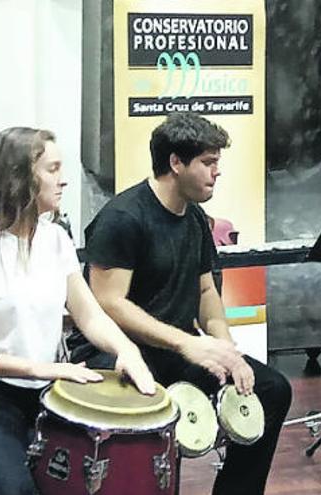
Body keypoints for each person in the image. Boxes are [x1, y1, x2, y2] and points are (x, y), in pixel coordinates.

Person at [0, 127, 157, 495]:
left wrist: (127, 350)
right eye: (52, 169)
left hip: (41, 391)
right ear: (19, 176)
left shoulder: (55, 239)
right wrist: (37, 367)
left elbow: (90, 314)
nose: (63, 180)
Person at [78, 112, 292, 495]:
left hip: (177, 350)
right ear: (175, 163)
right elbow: (109, 303)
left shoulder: (194, 218)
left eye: (217, 163)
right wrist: (186, 343)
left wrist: (227, 350)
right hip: (118, 355)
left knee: (271, 388)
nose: (216, 172)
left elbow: (207, 292)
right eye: (208, 163)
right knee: (153, 412)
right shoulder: (123, 218)